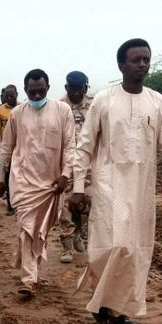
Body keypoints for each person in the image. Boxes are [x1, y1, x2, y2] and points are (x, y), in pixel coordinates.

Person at [69, 38, 162, 324]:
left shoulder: (157, 101)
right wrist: (77, 186)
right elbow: (84, 146)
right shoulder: (104, 100)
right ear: (121, 65)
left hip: (142, 187)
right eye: (136, 60)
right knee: (114, 246)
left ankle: (115, 309)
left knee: (135, 249)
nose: (142, 65)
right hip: (109, 182)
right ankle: (106, 302)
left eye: (146, 60)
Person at [0, 69, 74, 298]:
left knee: (39, 230)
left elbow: (70, 146)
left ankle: (27, 264)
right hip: (22, 181)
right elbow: (6, 148)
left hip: (51, 183)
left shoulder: (62, 110)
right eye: (32, 92)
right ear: (25, 91)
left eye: (41, 90)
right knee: (27, 228)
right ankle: (29, 279)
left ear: (48, 88)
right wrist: (0, 178)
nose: (37, 95)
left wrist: (66, 174)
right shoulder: (18, 114)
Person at [56, 71, 94, 263]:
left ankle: (79, 230)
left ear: (86, 88)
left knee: (87, 203)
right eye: (73, 89)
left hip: (89, 164)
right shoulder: (58, 107)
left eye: (81, 90)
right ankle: (67, 245)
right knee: (65, 205)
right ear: (66, 88)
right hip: (66, 164)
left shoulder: (95, 105)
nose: (78, 93)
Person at [0, 85, 18, 216]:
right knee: (8, 178)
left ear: (17, 95)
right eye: (7, 96)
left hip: (20, 149)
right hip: (6, 149)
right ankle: (10, 205)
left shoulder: (22, 109)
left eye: (12, 96)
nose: (9, 98)